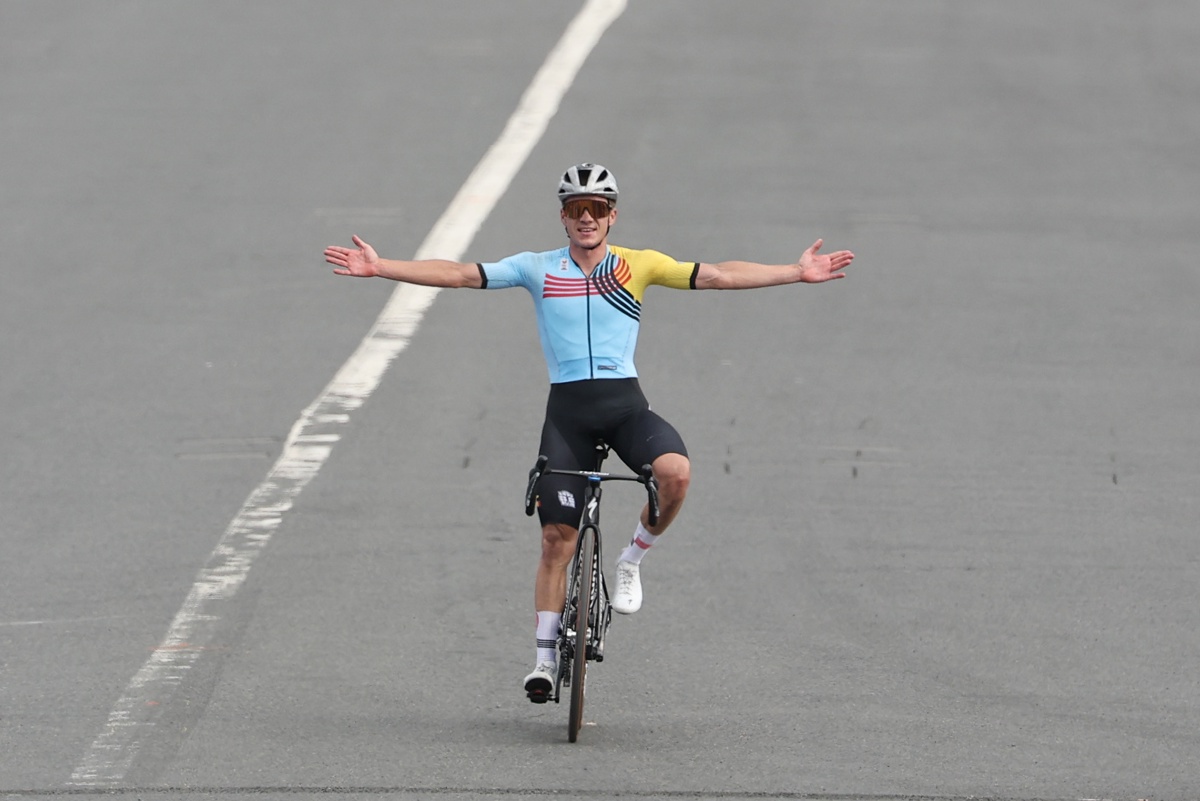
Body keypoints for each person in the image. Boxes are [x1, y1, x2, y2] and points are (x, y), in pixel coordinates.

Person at [324, 163, 853, 702]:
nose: (586, 218)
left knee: (676, 475)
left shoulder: (638, 266)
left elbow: (717, 274)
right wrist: (382, 266)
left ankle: (631, 559)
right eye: (576, 209)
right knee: (557, 539)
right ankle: (545, 660)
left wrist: (794, 270)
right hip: (568, 416)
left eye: (596, 209)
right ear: (562, 217)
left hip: (625, 409)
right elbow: (461, 274)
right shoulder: (536, 268)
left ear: (612, 216)